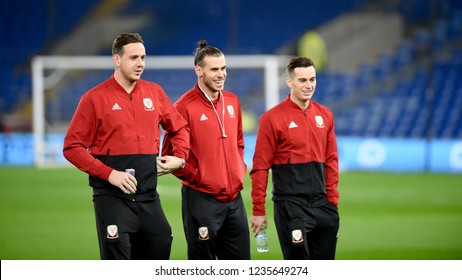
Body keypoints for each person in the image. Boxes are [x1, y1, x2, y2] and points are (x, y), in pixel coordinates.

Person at [63, 33, 189, 260]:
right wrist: (110, 174)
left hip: (148, 196)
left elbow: (180, 128)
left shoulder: (155, 92)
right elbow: (72, 147)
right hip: (112, 198)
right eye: (133, 58)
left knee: (161, 244)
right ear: (117, 60)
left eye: (143, 57)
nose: (140, 63)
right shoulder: (94, 98)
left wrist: (179, 158)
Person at [161, 40, 250, 260]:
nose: (221, 74)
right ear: (199, 71)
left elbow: (239, 142)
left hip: (234, 200)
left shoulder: (233, 101)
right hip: (201, 200)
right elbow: (169, 155)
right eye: (214, 69)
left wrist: (239, 168)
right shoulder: (183, 107)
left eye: (223, 68)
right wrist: (200, 177)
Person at [250, 56, 340, 260]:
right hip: (290, 207)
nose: (309, 85)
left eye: (312, 79)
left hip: (323, 206)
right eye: (302, 80)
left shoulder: (325, 115)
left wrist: (332, 202)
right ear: (289, 82)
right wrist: (258, 209)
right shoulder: (272, 118)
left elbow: (332, 161)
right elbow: (260, 167)